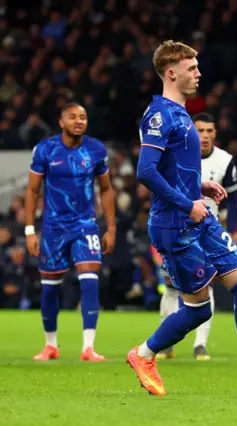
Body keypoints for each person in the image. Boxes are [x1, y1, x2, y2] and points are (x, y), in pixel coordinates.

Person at [127, 40, 237, 396]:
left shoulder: (182, 114)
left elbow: (170, 167)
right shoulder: (159, 115)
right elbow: (145, 172)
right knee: (199, 310)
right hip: (174, 225)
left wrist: (198, 185)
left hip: (197, 217)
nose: (198, 73)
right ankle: (144, 354)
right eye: (192, 68)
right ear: (171, 73)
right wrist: (187, 204)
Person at [25, 103, 116, 361]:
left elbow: (106, 189)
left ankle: (88, 347)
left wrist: (111, 227)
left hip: (86, 224)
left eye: (83, 117)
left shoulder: (96, 149)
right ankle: (50, 345)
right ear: (61, 122)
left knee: (90, 281)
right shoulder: (45, 149)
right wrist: (31, 231)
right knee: (50, 287)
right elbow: (32, 191)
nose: (79, 121)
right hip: (53, 227)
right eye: (73, 117)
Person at [157, 112, 237, 361]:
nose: (205, 136)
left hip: (207, 232)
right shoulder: (177, 154)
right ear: (192, 131)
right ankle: (167, 345)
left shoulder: (226, 161)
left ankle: (200, 345)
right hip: (177, 228)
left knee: (207, 285)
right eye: (200, 130)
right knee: (172, 288)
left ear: (215, 133)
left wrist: (230, 230)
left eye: (209, 131)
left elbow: (233, 201)